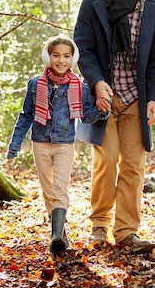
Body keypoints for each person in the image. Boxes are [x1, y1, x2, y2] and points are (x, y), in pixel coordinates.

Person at [73, 0, 155, 254]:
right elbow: (82, 49)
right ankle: (98, 225)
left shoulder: (153, 7)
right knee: (107, 160)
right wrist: (97, 83)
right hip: (105, 97)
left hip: (137, 98)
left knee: (134, 166)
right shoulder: (93, 3)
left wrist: (154, 97)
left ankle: (126, 230)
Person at [7, 35, 105, 255]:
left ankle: (55, 237)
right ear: (48, 57)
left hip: (64, 145)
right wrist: (15, 144)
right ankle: (61, 236)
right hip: (40, 143)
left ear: (73, 59)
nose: (61, 60)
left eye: (66, 56)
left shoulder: (78, 85)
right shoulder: (35, 84)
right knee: (48, 191)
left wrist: (101, 109)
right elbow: (26, 116)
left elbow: (87, 117)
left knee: (60, 189)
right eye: (56, 55)